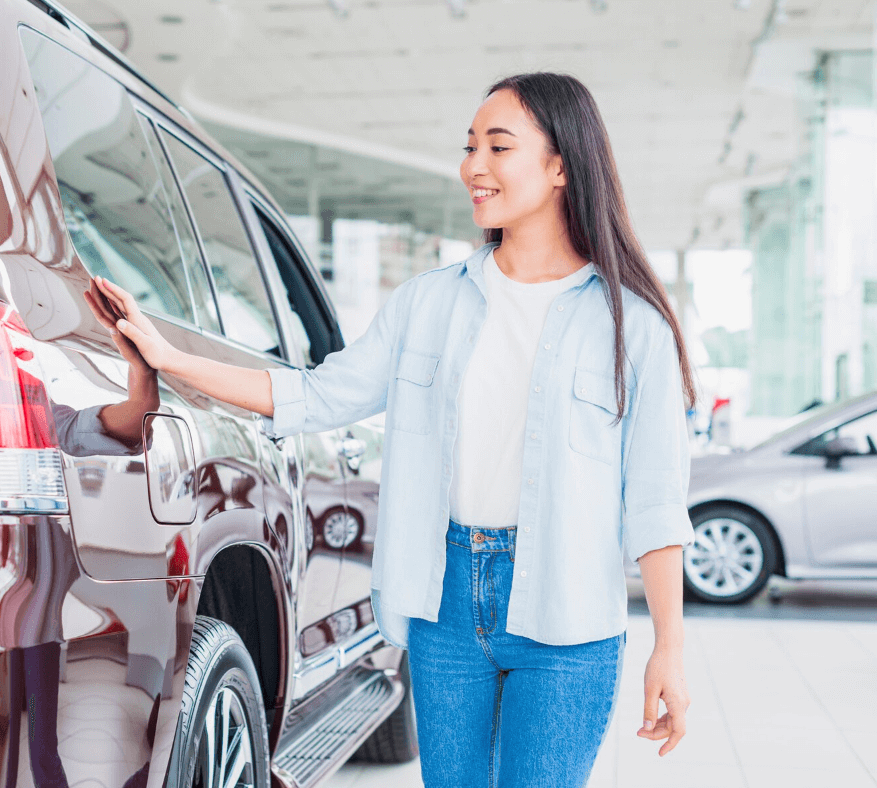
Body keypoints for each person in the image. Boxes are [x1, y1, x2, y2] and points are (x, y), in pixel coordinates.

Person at [88, 72, 695, 787]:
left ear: (561, 166)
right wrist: (169, 357)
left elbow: (654, 504)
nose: (474, 167)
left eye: (499, 148)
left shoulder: (635, 328)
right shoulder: (427, 304)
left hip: (569, 618)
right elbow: (316, 397)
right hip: (444, 600)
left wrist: (669, 648)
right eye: (470, 147)